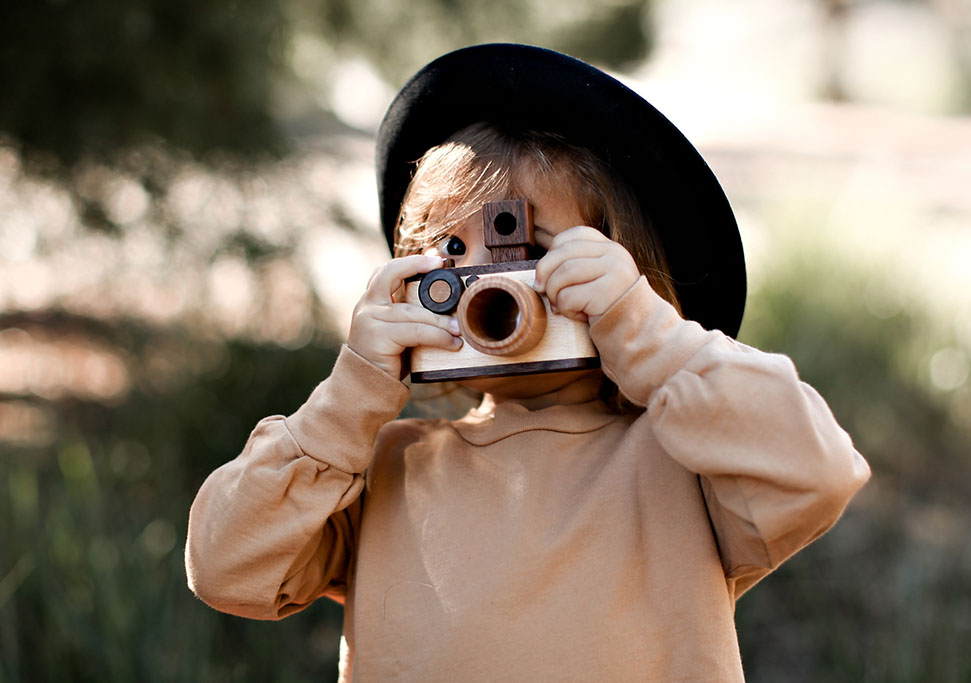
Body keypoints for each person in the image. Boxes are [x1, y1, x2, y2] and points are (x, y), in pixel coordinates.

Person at [185, 44, 870, 681]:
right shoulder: (381, 468)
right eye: (453, 253)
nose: (489, 282)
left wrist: (648, 334)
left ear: (622, 268)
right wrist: (349, 397)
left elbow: (818, 470)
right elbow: (225, 567)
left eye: (532, 249)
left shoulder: (684, 460)